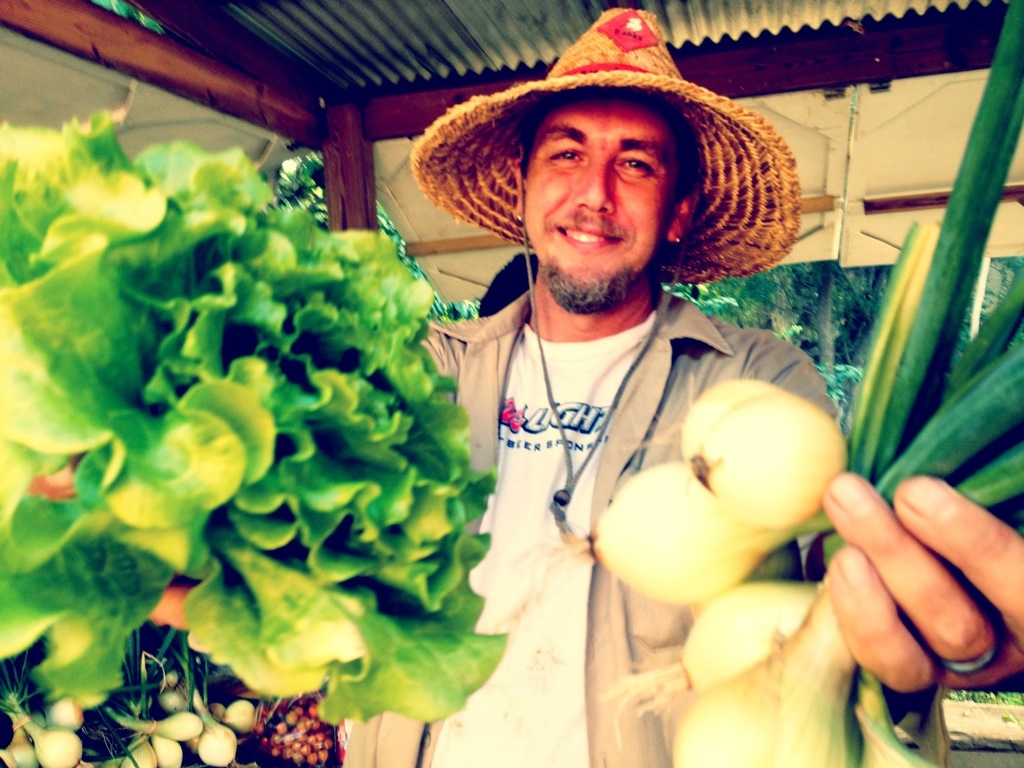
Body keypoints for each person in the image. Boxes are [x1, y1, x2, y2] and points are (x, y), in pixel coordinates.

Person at [345, 8, 1024, 768]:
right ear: (523, 187)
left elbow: (828, 582)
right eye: (566, 153)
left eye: (636, 164)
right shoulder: (425, 370)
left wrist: (926, 619)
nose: (595, 193)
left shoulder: (755, 379)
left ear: (679, 214)